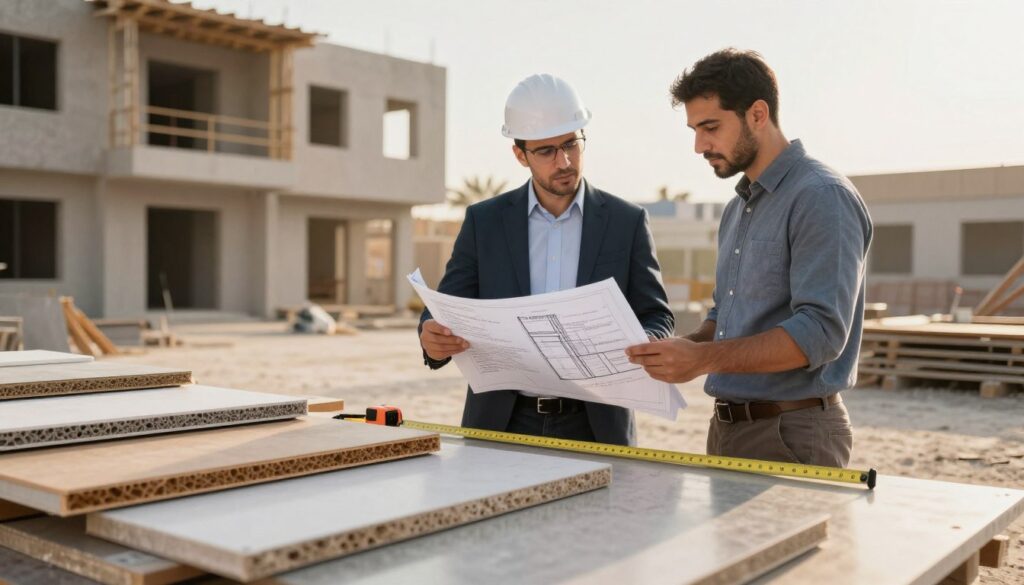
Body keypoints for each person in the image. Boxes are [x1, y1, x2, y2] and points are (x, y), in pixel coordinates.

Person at [625, 49, 873, 467]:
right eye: (694, 129)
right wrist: (680, 347)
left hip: (793, 432)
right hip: (726, 430)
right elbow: (727, 318)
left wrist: (701, 360)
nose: (699, 145)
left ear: (758, 114)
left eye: (710, 127)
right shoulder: (737, 208)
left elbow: (821, 333)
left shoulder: (821, 197)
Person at [419, 74, 673, 446]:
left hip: (597, 424)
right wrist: (430, 336)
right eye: (546, 151)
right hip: (501, 423)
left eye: (572, 143)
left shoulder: (626, 222)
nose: (565, 160)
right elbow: (445, 308)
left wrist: (642, 343)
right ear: (520, 154)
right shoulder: (484, 222)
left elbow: (657, 314)